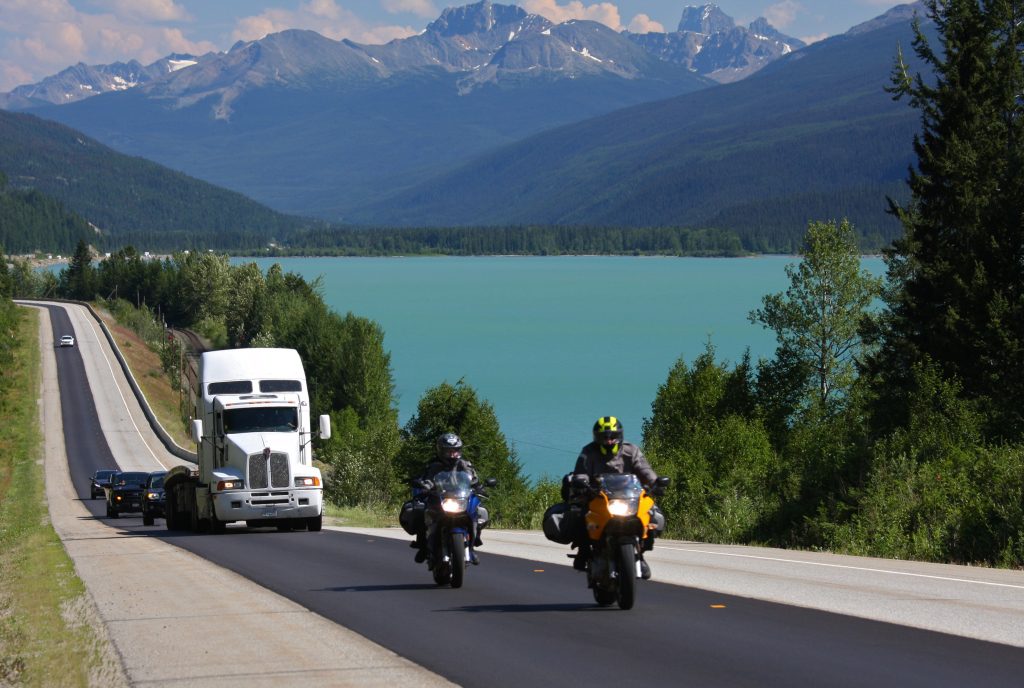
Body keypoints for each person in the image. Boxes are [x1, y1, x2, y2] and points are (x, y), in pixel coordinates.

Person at [568, 416, 660, 578]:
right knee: (580, 515)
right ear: (597, 437)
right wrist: (582, 482)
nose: (609, 441)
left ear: (619, 436)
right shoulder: (588, 453)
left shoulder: (631, 451)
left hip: (629, 496)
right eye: (604, 437)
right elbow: (581, 472)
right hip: (598, 496)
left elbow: (644, 469)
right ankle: (584, 552)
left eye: (612, 437)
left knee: (652, 515)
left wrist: (655, 482)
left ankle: (641, 554)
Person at [404, 432, 488, 563]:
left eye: (455, 450)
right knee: (421, 512)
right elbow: (427, 479)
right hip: (439, 497)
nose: (452, 454)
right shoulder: (434, 465)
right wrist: (425, 485)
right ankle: (422, 545)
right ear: (441, 450)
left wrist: (479, 487)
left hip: (460, 497)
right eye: (448, 451)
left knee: (478, 511)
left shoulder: (464, 464)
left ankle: (472, 546)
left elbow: (473, 479)